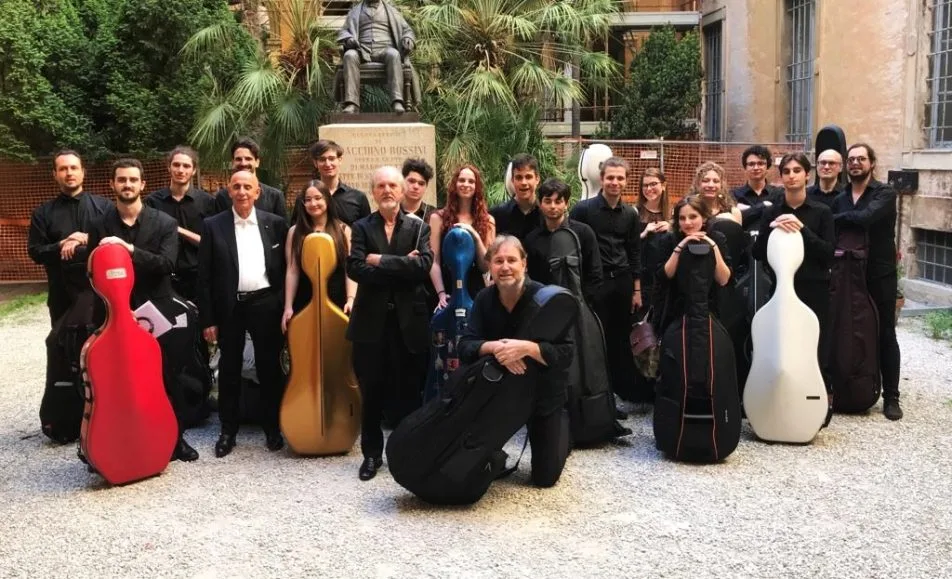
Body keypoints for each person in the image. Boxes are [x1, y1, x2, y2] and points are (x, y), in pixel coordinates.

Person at [87, 158, 198, 461]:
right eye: (122, 180)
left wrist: (129, 250)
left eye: (133, 180)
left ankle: (175, 439)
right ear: (112, 184)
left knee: (168, 376)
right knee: (121, 378)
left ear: (142, 185)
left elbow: (166, 264)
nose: (127, 185)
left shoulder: (164, 223)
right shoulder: (98, 225)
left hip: (157, 309)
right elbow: (94, 272)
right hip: (115, 313)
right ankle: (129, 439)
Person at [458, 235, 573, 488]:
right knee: (474, 468)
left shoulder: (546, 298)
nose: (505, 267)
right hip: (501, 394)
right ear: (490, 266)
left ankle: (562, 429)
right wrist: (497, 348)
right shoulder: (484, 299)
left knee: (545, 479)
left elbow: (566, 353)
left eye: (511, 260)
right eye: (498, 261)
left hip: (543, 392)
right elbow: (465, 346)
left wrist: (527, 348)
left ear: (524, 264)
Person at [346, 166, 433, 481]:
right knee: (372, 392)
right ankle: (371, 456)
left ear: (401, 190)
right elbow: (355, 268)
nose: (387, 191)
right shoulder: (361, 227)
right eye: (380, 186)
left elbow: (423, 267)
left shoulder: (419, 227)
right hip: (371, 325)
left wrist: (380, 260)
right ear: (373, 191)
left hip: (409, 324)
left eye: (392, 185)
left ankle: (407, 454)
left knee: (409, 392)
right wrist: (402, 265)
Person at [198, 170, 289, 457]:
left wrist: (282, 305)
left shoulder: (275, 224)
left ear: (257, 192)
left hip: (266, 304)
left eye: (247, 187)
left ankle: (272, 428)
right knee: (229, 369)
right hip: (230, 307)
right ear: (228, 191)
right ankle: (228, 431)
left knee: (269, 369)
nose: (242, 192)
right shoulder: (213, 225)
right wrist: (208, 319)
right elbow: (204, 277)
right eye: (236, 186)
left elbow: (286, 269)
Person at [752, 153, 835, 397]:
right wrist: (771, 230)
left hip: (814, 289)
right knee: (781, 345)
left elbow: (828, 254)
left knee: (813, 346)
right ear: (781, 177)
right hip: (780, 289)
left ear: (807, 175)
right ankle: (782, 399)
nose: (791, 176)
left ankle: (816, 399)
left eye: (797, 170)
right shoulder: (772, 212)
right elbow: (758, 253)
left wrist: (802, 229)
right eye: (786, 171)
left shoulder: (822, 212)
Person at [832, 143, 902, 421]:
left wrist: (836, 218)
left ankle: (891, 397)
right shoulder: (840, 197)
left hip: (878, 273)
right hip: (849, 273)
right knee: (850, 329)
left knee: (885, 332)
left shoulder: (884, 193)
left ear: (872, 163)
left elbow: (866, 217)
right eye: (851, 159)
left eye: (861, 159)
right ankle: (853, 388)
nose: (855, 163)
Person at [570, 157, 644, 404]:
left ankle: (620, 391)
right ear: (601, 179)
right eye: (610, 177)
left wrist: (636, 289)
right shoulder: (583, 210)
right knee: (595, 338)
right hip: (595, 284)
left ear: (626, 181)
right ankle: (597, 394)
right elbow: (575, 248)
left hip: (622, 283)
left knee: (620, 338)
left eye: (620, 178)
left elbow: (634, 252)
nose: (615, 182)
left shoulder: (631, 214)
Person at [28, 150, 110, 325]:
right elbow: (35, 252)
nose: (69, 173)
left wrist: (88, 238)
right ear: (55, 174)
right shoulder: (42, 213)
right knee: (63, 341)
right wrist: (61, 244)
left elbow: (118, 243)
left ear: (83, 172)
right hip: (62, 296)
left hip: (100, 294)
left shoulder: (105, 207)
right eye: (63, 169)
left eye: (74, 168)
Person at [281, 181, 357, 334]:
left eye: (318, 198)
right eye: (308, 200)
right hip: (304, 298)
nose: (313, 203)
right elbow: (292, 270)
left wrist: (351, 299)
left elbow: (350, 269)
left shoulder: (343, 230)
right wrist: (288, 306)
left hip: (337, 297)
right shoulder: (294, 232)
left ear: (327, 200)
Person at [144, 146, 216, 302]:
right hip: (163, 278)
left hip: (198, 277)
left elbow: (211, 243)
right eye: (176, 165)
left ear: (194, 170)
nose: (181, 170)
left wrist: (175, 229)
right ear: (168, 167)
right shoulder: (152, 201)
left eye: (186, 166)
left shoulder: (207, 202)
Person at [654, 196, 733, 332]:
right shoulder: (669, 239)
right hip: (675, 310)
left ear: (704, 218)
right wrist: (681, 246)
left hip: (710, 309)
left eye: (693, 217)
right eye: (682, 218)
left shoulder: (717, 238)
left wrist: (712, 246)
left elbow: (723, 279)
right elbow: (665, 276)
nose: (687, 222)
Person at [525, 178, 603, 305]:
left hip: (579, 305)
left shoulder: (584, 233)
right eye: (548, 201)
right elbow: (531, 279)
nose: (553, 206)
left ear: (566, 204)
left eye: (558, 201)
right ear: (540, 203)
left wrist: (582, 303)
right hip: (544, 305)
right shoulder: (532, 239)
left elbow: (595, 274)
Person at [429, 165, 495, 308]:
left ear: (477, 187)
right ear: (455, 184)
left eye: (471, 181)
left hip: (475, 291)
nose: (466, 184)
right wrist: (441, 294)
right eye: (461, 180)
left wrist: (475, 235)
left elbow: (486, 266)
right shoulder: (437, 218)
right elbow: (434, 261)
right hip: (446, 288)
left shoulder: (488, 220)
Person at [337, 0, 415, 113]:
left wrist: (408, 38)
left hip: (385, 49)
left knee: (394, 54)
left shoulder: (392, 11)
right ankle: (351, 103)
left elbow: (407, 30)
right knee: (349, 55)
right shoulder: (354, 12)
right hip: (361, 50)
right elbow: (343, 32)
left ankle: (397, 101)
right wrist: (349, 39)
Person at [214, 138, 288, 221]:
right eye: (238, 159)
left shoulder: (274, 197)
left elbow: (282, 228)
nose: (243, 163)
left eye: (248, 158)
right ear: (233, 162)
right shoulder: (222, 197)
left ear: (257, 162)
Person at [636, 168, 672, 315]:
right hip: (642, 279)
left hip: (664, 278)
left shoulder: (674, 214)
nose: (649, 189)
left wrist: (672, 228)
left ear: (663, 185)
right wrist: (643, 234)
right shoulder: (634, 213)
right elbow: (626, 246)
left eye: (653, 184)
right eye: (645, 185)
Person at [309, 139, 371, 226]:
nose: (327, 164)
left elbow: (366, 230)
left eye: (331, 159)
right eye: (322, 159)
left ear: (340, 160)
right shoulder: (305, 198)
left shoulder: (358, 198)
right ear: (315, 163)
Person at [490, 153, 541, 242]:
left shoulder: (545, 215)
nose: (523, 182)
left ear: (537, 179)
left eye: (528, 177)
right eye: (519, 177)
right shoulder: (496, 215)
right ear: (512, 180)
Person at [731, 145, 782, 230]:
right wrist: (764, 205)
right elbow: (734, 221)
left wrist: (747, 210)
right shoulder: (734, 195)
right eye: (751, 164)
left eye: (760, 163)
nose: (756, 168)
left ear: (767, 167)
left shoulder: (778, 194)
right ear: (745, 168)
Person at [401, 157, 437, 222]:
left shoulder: (434, 215)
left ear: (426, 187)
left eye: (421, 184)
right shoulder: (391, 211)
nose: (416, 187)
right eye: (411, 181)